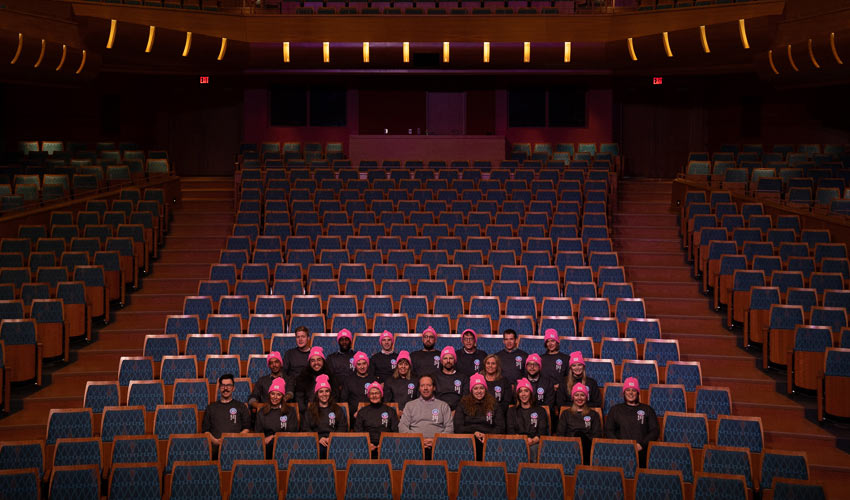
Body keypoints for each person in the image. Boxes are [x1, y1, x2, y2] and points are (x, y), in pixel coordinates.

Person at [604, 377, 659, 467]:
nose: (630, 393)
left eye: (633, 390)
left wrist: (642, 445)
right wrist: (619, 445)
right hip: (619, 452)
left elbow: (655, 431)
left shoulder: (647, 409)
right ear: (624, 392)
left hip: (641, 451)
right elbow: (609, 430)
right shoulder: (615, 409)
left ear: (638, 393)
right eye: (628, 390)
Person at [398, 375, 453, 457]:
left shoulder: (443, 405)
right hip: (414, 446)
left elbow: (450, 428)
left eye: (429, 385)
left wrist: (436, 441)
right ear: (419, 388)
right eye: (422, 385)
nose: (425, 388)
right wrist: (417, 441)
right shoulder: (410, 405)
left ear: (434, 388)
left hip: (439, 446)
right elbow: (402, 427)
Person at [454, 373, 506, 459]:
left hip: (490, 439)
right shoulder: (463, 403)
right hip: (469, 439)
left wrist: (487, 435)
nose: (479, 391)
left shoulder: (493, 403)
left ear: (485, 389)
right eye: (476, 388)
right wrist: (474, 433)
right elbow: (458, 427)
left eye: (482, 388)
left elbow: (501, 427)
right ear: (471, 390)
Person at [301, 374, 349, 457]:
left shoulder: (338, 409)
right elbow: (305, 428)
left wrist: (332, 438)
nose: (324, 394)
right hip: (316, 441)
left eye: (326, 391)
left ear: (330, 393)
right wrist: (318, 438)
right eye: (321, 391)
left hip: (335, 441)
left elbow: (343, 427)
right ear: (317, 394)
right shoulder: (310, 410)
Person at [556, 382, 601, 464]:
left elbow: (596, 436)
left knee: (580, 435)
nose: (579, 398)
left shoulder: (594, 415)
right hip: (569, 448)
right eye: (577, 395)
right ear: (573, 397)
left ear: (586, 397)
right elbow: (560, 434)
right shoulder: (566, 414)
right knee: (577, 434)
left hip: (587, 448)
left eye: (582, 395)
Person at [202, 374, 251, 449]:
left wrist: (234, 440)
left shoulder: (241, 407)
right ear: (219, 388)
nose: (225, 388)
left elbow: (247, 428)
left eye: (229, 385)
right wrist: (215, 441)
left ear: (233, 388)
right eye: (222, 386)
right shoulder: (210, 408)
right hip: (215, 446)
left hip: (237, 446)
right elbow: (205, 431)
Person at [253, 377, 299, 456]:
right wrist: (264, 439)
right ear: (269, 394)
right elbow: (258, 434)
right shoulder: (262, 412)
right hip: (266, 446)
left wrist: (274, 437)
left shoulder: (290, 411)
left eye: (278, 394)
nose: (275, 397)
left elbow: (293, 433)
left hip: (286, 445)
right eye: (272, 393)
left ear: (282, 396)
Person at [507, 378, 549, 461]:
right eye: (520, 391)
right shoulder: (512, 411)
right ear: (518, 394)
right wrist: (523, 440)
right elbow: (510, 431)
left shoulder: (540, 411)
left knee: (533, 449)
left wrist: (532, 441)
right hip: (517, 442)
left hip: (535, 442)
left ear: (530, 393)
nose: (523, 394)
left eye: (526, 391)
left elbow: (542, 432)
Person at [353, 381, 400, 457]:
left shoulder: (391, 411)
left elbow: (395, 431)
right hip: (365, 446)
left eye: (377, 393)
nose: (374, 396)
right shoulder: (362, 412)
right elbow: (358, 432)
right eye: (371, 393)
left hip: (387, 446)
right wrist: (367, 444)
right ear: (368, 395)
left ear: (381, 394)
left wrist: (384, 445)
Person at [294, 346, 337, 413]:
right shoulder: (303, 377)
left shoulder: (330, 375)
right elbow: (299, 396)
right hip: (307, 411)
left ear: (323, 361)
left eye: (319, 360)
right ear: (309, 363)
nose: (316, 363)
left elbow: (335, 395)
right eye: (313, 360)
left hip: (327, 411)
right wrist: (305, 412)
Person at [340, 351, 379, 418]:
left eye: (364, 363)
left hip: (372, 415)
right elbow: (343, 402)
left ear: (368, 364)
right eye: (359, 364)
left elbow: (379, 400)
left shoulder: (374, 380)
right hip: (354, 415)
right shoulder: (348, 380)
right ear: (355, 365)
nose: (362, 367)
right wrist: (352, 413)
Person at [432, 345, 468, 410]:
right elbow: (431, 397)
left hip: (458, 411)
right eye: (445, 358)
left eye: (451, 358)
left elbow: (465, 398)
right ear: (441, 361)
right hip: (438, 410)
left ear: (455, 360)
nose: (448, 361)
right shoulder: (434, 377)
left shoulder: (463, 377)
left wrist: (457, 411)